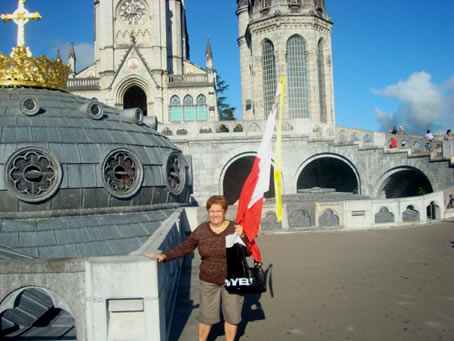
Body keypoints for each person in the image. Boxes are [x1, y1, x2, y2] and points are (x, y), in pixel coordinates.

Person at [147, 195, 248, 341]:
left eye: (218, 211)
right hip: (209, 281)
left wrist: (243, 235)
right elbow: (185, 247)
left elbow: (248, 252)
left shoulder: (234, 228)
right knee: (206, 317)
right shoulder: (201, 230)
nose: (215, 214)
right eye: (212, 211)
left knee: (232, 316)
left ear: (225, 212)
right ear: (208, 212)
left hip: (232, 279)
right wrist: (165, 256)